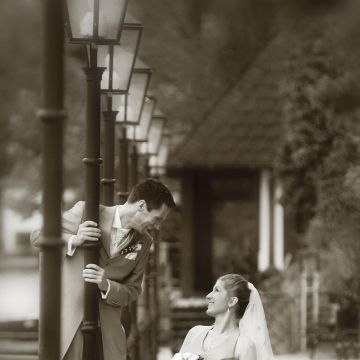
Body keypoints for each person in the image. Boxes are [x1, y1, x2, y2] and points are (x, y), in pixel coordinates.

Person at [31, 178, 175, 360]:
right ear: (141, 205)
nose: (157, 226)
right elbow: (38, 236)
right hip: (69, 327)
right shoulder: (87, 212)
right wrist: (74, 239)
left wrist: (107, 285)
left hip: (108, 335)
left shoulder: (145, 242)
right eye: (157, 218)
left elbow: (133, 291)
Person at [172, 274, 273, 360]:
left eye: (216, 290)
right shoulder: (194, 333)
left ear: (232, 301)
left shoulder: (243, 346)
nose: (208, 295)